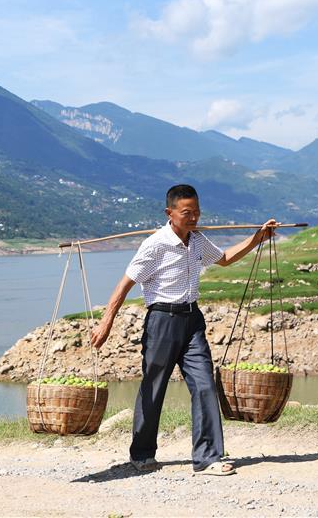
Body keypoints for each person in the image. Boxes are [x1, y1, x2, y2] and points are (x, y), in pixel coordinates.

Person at [90, 184, 279, 476]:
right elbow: (125, 283)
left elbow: (225, 259)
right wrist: (107, 321)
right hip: (162, 321)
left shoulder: (198, 240)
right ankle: (141, 454)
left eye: (197, 212)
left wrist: (258, 237)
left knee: (204, 385)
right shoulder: (155, 245)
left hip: (192, 321)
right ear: (170, 213)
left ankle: (207, 458)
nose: (193, 218)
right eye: (187, 213)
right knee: (153, 387)